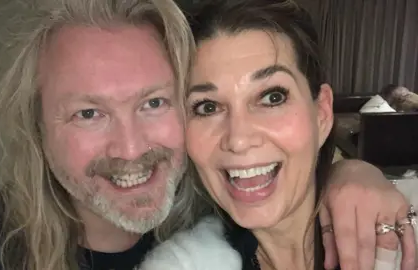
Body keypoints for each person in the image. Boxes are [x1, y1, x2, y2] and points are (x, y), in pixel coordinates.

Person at [0, 0, 414, 270]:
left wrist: (351, 172)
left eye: (154, 102)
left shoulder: (215, 204)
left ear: (322, 110)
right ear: (38, 130)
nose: (131, 148)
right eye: (87, 112)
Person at [141, 0, 418, 270]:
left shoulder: (403, 224)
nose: (238, 139)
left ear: (321, 113)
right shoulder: (183, 262)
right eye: (208, 107)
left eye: (272, 97)